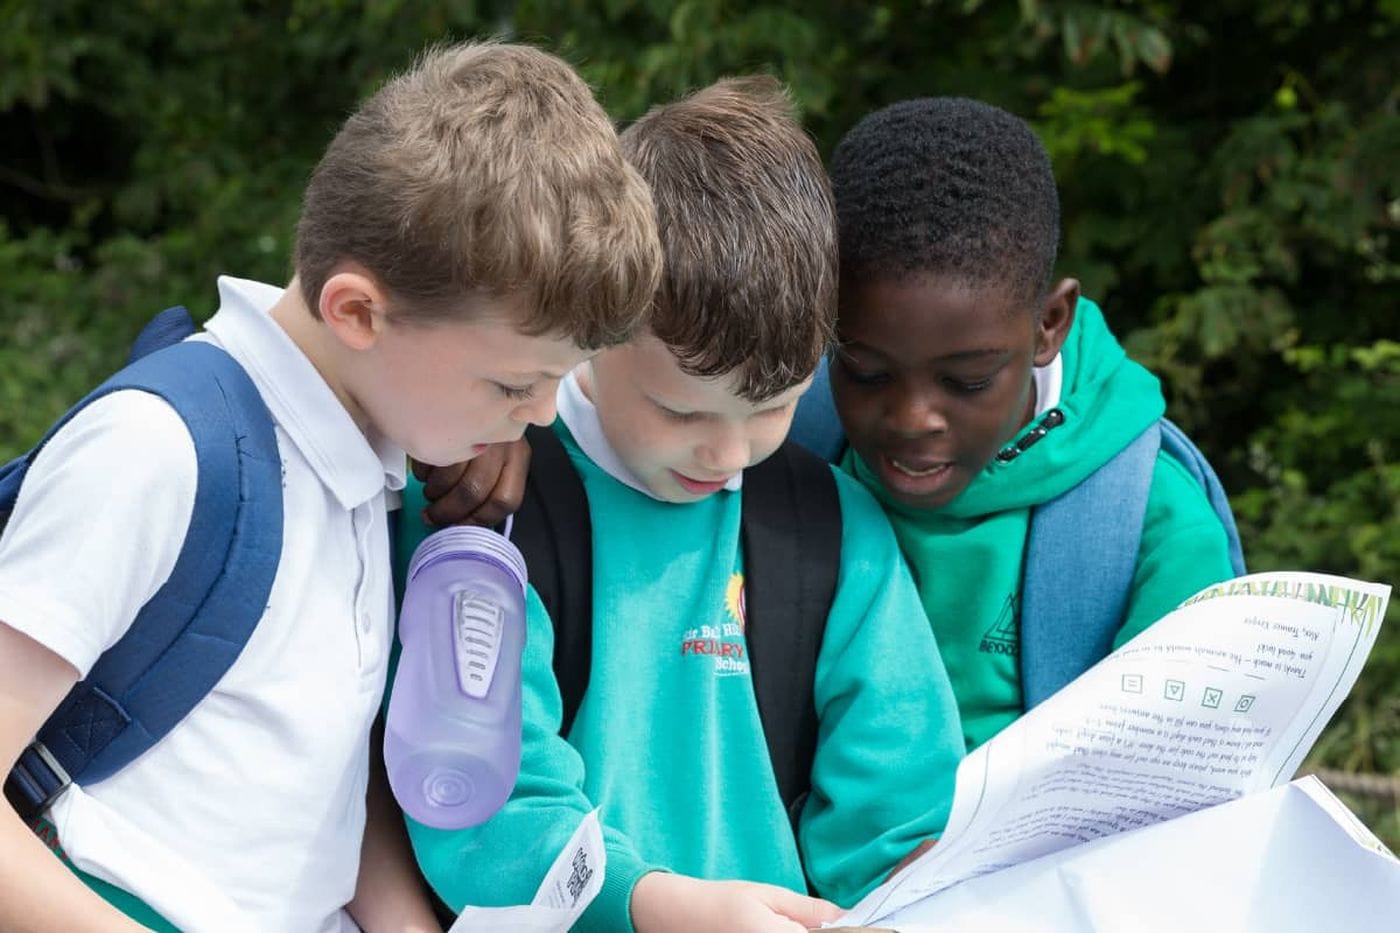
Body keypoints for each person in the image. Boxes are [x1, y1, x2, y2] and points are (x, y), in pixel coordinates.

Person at [0, 41, 660, 932]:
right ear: (357, 311)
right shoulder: (157, 450)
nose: (542, 416)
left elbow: (323, 797)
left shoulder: (366, 471)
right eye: (514, 385)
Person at [397, 77, 965, 933]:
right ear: (592, 319)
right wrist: (656, 907)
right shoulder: (481, 503)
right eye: (683, 411)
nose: (730, 455)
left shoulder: (834, 528)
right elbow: (475, 810)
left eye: (772, 407)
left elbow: (900, 820)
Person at [802, 96, 1238, 751]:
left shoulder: (1151, 524)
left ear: (1049, 325)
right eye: (865, 370)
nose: (913, 418)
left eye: (968, 380)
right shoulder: (776, 450)